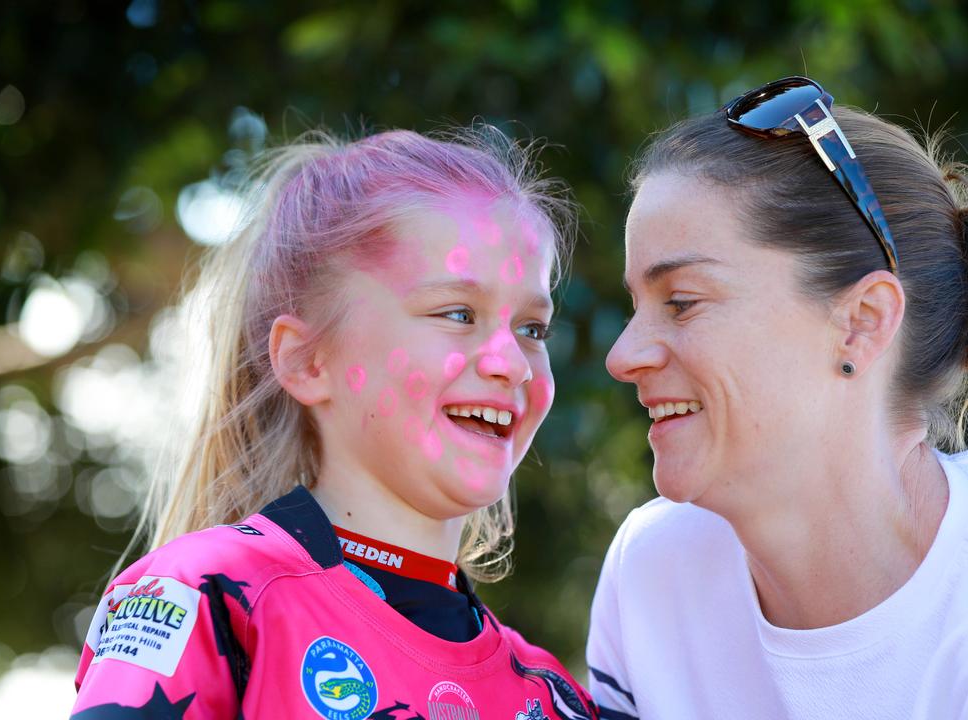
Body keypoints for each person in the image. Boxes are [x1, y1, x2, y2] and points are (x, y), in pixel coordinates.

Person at [587, 76, 968, 719]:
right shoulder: (653, 573)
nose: (623, 356)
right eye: (636, 307)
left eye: (682, 302)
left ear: (863, 320)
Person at [71, 127, 597, 720]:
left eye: (532, 328)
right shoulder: (206, 598)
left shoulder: (553, 696)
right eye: (457, 313)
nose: (511, 365)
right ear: (307, 360)